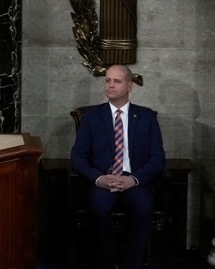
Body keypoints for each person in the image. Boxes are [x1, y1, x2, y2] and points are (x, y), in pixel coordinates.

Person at [70, 64, 165, 269]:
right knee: (99, 206)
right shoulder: (92, 117)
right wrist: (99, 179)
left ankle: (132, 264)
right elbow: (77, 157)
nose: (110, 85)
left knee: (143, 206)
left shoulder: (147, 117)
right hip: (103, 181)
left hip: (135, 181)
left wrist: (133, 179)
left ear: (129, 86)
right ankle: (109, 261)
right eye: (107, 80)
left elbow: (158, 158)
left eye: (117, 81)